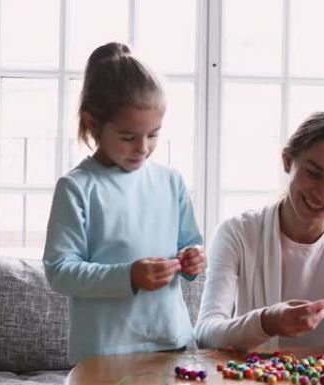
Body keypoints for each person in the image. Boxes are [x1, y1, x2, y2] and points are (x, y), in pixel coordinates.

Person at [43, 42, 205, 364]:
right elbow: (60, 271)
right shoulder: (76, 188)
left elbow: (191, 243)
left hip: (171, 342)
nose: (143, 148)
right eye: (129, 137)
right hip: (105, 352)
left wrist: (194, 260)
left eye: (154, 134)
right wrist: (129, 276)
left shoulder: (171, 182)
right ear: (93, 124)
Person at [195, 111, 324, 350]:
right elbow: (205, 332)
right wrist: (266, 323)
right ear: (287, 161)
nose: (323, 194)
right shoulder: (236, 233)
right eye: (313, 174)